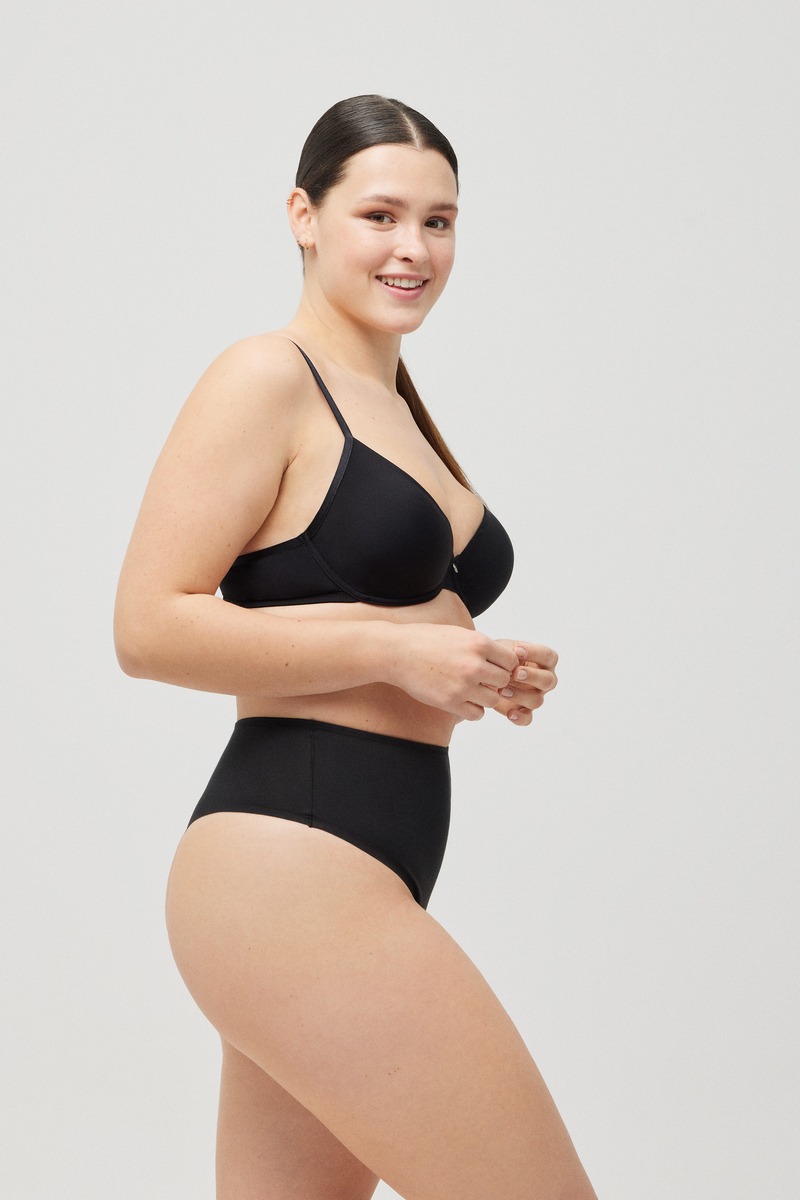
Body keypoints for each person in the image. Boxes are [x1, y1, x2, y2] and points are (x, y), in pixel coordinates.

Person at [114, 94, 597, 1200]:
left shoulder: (394, 401)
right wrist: (394, 652)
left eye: (438, 221)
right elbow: (147, 626)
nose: (411, 248)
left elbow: (364, 608)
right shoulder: (266, 375)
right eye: (379, 215)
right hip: (290, 866)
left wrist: (470, 663)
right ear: (304, 215)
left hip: (358, 862)